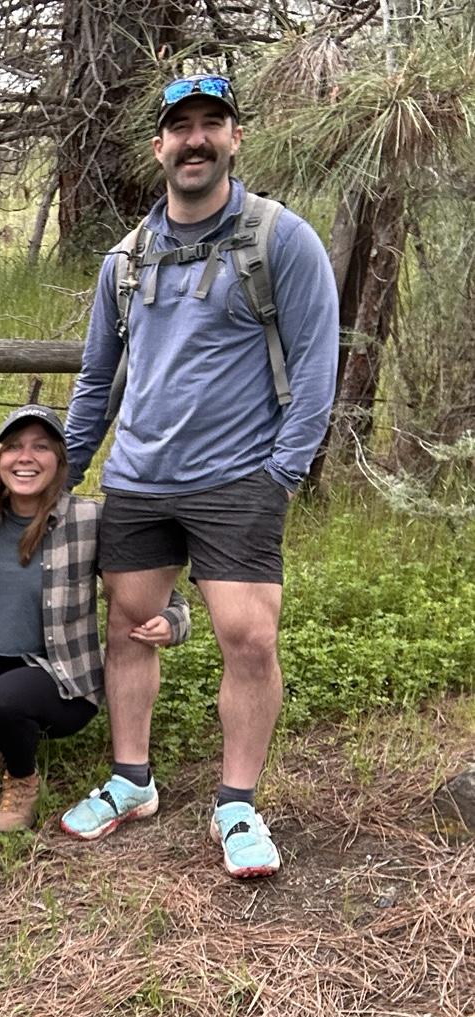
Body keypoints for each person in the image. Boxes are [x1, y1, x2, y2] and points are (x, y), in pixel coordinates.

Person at [59, 71, 338, 877]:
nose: (196, 139)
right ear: (159, 146)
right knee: (128, 627)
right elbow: (94, 385)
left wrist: (280, 475)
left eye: (212, 123)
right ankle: (131, 779)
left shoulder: (281, 238)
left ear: (234, 138)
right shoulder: (126, 258)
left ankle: (237, 804)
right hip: (139, 479)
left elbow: (318, 370)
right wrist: (64, 480)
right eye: (181, 127)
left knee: (248, 638)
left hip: (239, 479)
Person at [0, 405, 191, 831]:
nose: (25, 457)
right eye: (14, 447)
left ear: (60, 461)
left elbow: (155, 588)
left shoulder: (88, 521)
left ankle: (22, 780)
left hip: (59, 677)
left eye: (41, 447)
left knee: (3, 701)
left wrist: (173, 619)